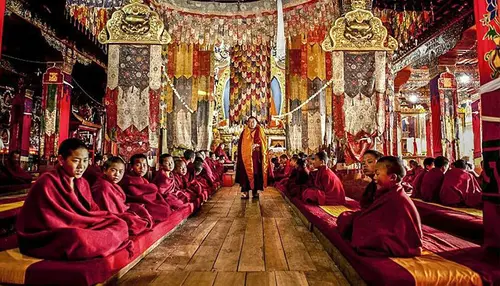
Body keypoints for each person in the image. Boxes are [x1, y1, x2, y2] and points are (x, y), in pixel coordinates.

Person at [16, 139, 130, 260]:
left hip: (81, 225)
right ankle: (97, 244)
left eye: (85, 161)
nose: (82, 166)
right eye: (76, 161)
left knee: (120, 224)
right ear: (61, 160)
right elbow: (47, 219)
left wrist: (103, 219)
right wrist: (79, 225)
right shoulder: (47, 181)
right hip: (51, 234)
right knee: (76, 237)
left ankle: (94, 245)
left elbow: (93, 211)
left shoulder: (82, 183)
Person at [337, 156, 423, 257]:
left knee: (364, 233)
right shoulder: (389, 192)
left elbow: (402, 232)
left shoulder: (397, 197)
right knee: (348, 219)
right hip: (386, 230)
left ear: (393, 177)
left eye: (377, 174)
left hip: (401, 241)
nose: (374, 177)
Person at [92, 156, 153, 235]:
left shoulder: (112, 183)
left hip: (120, 209)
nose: (117, 174)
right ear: (105, 170)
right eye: (113, 170)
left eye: (121, 172)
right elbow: (108, 210)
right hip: (107, 215)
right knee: (131, 221)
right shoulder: (103, 186)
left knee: (139, 208)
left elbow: (120, 203)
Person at [120, 154, 172, 222]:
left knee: (165, 209)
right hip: (137, 205)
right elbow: (136, 196)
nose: (142, 168)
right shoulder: (128, 180)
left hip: (147, 203)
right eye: (138, 165)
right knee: (162, 210)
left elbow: (152, 193)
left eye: (144, 165)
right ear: (132, 167)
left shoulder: (143, 179)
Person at [235, 116, 268, 199]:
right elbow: (241, 146)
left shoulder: (260, 131)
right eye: (249, 122)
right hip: (246, 157)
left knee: (257, 174)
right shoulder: (244, 132)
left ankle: (255, 191)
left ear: (256, 122)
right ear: (247, 123)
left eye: (253, 121)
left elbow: (264, 144)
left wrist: (259, 146)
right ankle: (245, 192)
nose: (251, 123)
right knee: (245, 174)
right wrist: (250, 147)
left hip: (256, 158)